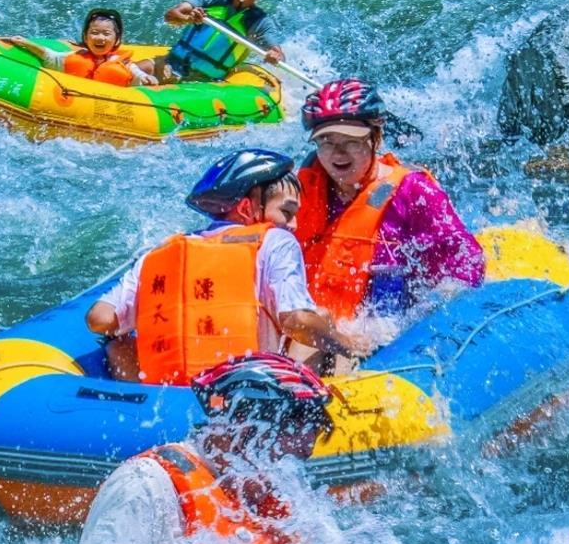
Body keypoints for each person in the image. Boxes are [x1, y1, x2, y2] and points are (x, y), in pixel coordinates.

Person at [85, 148, 372, 384]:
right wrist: (346, 344)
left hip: (167, 396)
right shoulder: (275, 241)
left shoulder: (163, 252)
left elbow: (100, 318)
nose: (294, 224)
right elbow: (297, 321)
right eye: (287, 211)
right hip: (242, 396)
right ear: (247, 208)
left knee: (118, 342)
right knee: (319, 320)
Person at [77, 354, 333, 544]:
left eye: (298, 462)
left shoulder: (274, 510)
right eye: (281, 459)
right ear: (239, 426)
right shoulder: (145, 486)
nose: (286, 476)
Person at [295, 78, 486, 321]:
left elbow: (465, 263)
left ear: (376, 138)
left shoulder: (413, 192)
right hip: (319, 326)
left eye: (351, 141)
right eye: (326, 141)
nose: (338, 153)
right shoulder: (297, 192)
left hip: (386, 329)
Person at [137, 0, 284, 84]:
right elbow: (170, 16)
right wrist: (189, 18)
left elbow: (279, 55)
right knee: (126, 72)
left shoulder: (259, 22)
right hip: (171, 63)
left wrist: (275, 55)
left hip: (203, 81)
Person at [3, 8, 157, 87]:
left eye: (106, 34)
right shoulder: (75, 57)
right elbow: (49, 56)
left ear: (117, 39)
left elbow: (137, 76)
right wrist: (25, 43)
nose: (100, 38)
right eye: (94, 33)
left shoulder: (123, 63)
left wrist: (147, 79)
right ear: (85, 37)